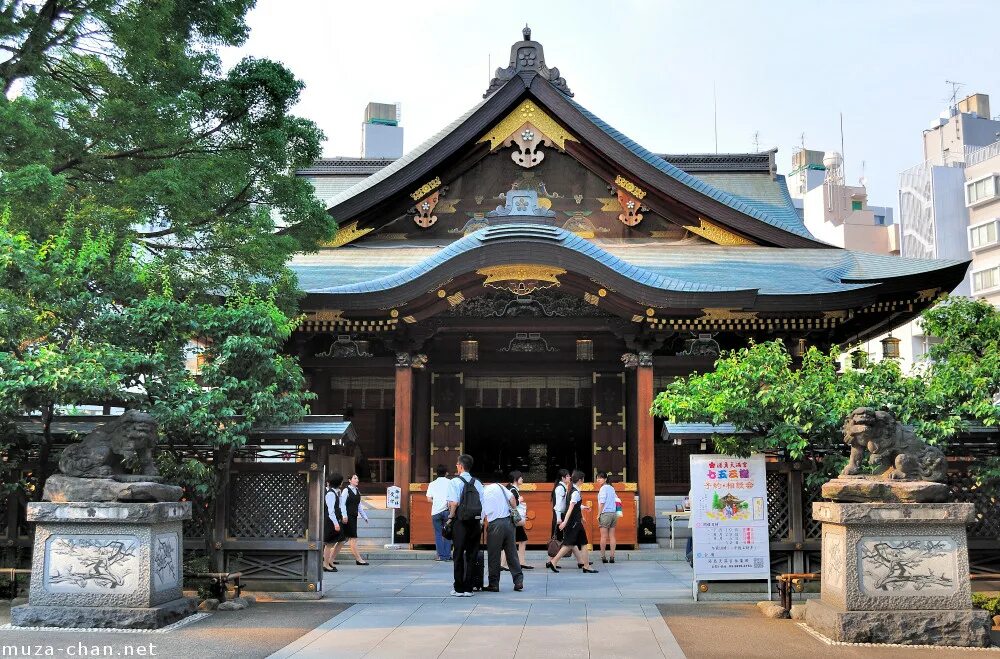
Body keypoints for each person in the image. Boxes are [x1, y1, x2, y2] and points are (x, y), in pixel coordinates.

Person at [445, 453, 485, 597]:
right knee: (472, 555)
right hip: (475, 522)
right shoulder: (478, 483)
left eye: (457, 464)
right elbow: (483, 505)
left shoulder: (454, 482)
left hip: (460, 522)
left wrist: (450, 517)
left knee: (458, 554)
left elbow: (454, 503)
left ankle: (458, 587)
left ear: (461, 466)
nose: (456, 466)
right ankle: (469, 588)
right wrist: (480, 522)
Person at [549, 470, 598, 573]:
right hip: (574, 523)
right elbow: (570, 509)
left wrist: (583, 509)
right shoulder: (575, 492)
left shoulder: (571, 490)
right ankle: (554, 562)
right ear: (580, 480)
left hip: (575, 522)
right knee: (569, 544)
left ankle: (585, 565)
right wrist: (565, 522)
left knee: (581, 543)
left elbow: (574, 506)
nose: (584, 481)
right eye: (583, 479)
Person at [481, 480, 524, 592]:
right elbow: (513, 499)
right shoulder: (499, 486)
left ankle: (494, 584)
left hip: (495, 525)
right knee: (512, 553)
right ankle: (518, 581)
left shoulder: (482, 493)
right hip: (509, 523)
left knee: (494, 555)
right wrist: (513, 510)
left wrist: (480, 523)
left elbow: (482, 514)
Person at [502, 471, 532, 571]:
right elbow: (511, 504)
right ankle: (503, 563)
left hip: (512, 519)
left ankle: (521, 562)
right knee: (510, 541)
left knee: (522, 539)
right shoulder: (513, 490)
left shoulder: (510, 488)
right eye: (521, 477)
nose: (522, 479)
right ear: (515, 479)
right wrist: (520, 500)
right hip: (513, 519)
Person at [339, 473, 370, 566]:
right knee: (353, 538)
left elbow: (359, 505)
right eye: (355, 478)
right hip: (348, 517)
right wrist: (344, 515)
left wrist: (364, 516)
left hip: (354, 516)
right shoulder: (346, 490)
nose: (357, 480)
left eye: (357, 478)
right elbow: (342, 504)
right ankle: (359, 559)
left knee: (342, 540)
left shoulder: (357, 490)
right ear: (349, 480)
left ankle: (330, 559)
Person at [426, 465, 452, 561]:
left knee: (438, 533)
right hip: (447, 511)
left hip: (436, 512)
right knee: (448, 533)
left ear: (436, 473)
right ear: (446, 473)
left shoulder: (432, 484)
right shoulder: (450, 483)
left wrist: (436, 502)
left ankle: (440, 556)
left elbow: (429, 499)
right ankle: (447, 555)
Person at [323, 474, 344, 572]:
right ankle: (326, 564)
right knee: (329, 544)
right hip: (331, 521)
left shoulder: (336, 492)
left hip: (336, 519)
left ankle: (330, 561)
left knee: (341, 540)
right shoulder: (330, 494)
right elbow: (331, 511)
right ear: (338, 483)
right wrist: (336, 523)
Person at [596, 471, 618, 564]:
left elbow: (602, 502)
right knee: (612, 536)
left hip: (605, 514)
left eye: (600, 478)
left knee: (603, 537)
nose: (598, 480)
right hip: (614, 513)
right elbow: (617, 500)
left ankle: (603, 557)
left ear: (605, 479)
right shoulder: (612, 488)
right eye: (597, 478)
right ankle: (612, 557)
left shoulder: (603, 489)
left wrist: (598, 514)